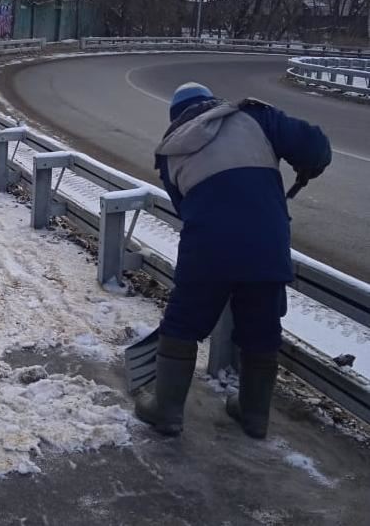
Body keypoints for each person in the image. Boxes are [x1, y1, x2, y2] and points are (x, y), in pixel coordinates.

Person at [135, 82, 331, 439]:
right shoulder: (255, 116)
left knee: (183, 323)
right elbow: (315, 147)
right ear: (212, 102)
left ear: (175, 118)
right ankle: (255, 416)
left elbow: (186, 207)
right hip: (266, 242)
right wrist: (309, 166)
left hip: (208, 245)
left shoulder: (169, 153)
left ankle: (166, 410)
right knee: (261, 326)